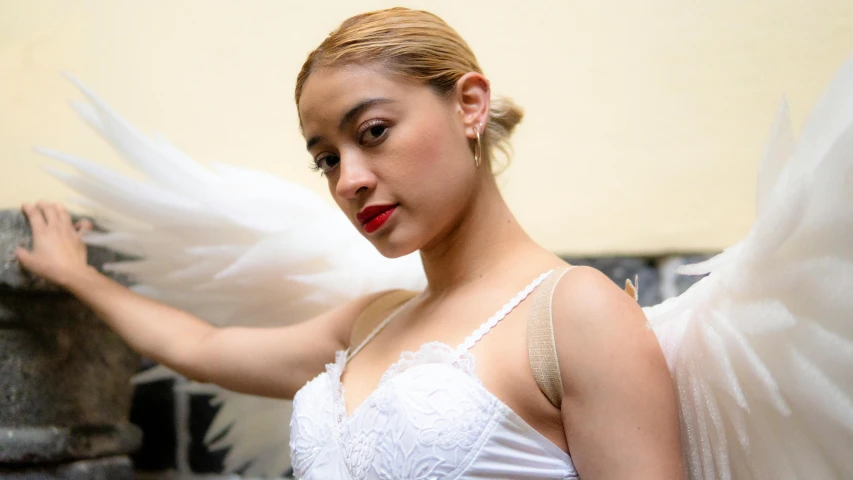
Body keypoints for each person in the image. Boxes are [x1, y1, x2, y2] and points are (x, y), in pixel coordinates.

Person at [15, 7, 686, 479]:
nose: (349, 181)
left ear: (469, 105)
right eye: (326, 159)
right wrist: (79, 277)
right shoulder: (369, 322)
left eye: (371, 132)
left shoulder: (573, 314)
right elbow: (203, 349)